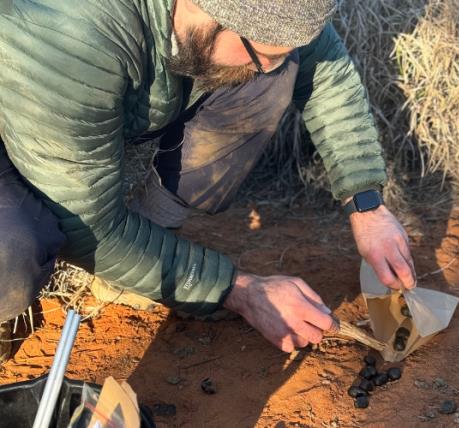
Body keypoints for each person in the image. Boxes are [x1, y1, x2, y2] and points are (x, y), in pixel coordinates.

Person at [0, 0, 416, 363]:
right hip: (27, 108)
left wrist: (367, 205)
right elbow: (89, 227)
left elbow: (324, 70)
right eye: (260, 53)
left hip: (74, 109)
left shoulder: (252, 20)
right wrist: (240, 291)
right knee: (14, 249)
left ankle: (143, 250)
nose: (264, 68)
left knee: (274, 72)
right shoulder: (72, 32)